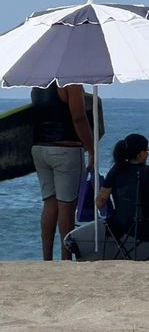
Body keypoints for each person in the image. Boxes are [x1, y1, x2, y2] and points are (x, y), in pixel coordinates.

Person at [31, 81, 94, 261]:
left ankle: (47, 259)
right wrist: (91, 149)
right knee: (67, 206)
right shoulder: (71, 83)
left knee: (49, 204)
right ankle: (66, 258)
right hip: (66, 150)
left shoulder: (38, 83)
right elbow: (79, 118)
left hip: (39, 148)